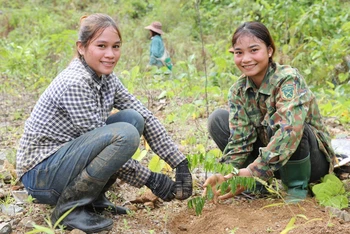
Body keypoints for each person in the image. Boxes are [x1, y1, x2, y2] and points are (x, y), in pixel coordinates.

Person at [16, 13, 192, 233]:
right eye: (101, 46)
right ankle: (68, 210)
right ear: (81, 47)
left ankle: (92, 198)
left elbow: (143, 114)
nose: (110, 54)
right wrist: (151, 179)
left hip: (66, 162)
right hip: (42, 175)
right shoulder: (76, 82)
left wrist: (179, 163)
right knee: (125, 134)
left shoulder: (107, 77)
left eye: (116, 46)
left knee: (133, 118)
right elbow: (105, 144)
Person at [203, 21, 336, 203]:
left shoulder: (288, 79)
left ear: (270, 51)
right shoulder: (238, 90)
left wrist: (252, 171)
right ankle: (256, 183)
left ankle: (296, 188)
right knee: (217, 119)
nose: (246, 59)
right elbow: (239, 140)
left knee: (288, 125)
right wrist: (226, 173)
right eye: (239, 53)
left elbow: (290, 131)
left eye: (254, 50)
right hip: (271, 163)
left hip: (311, 162)